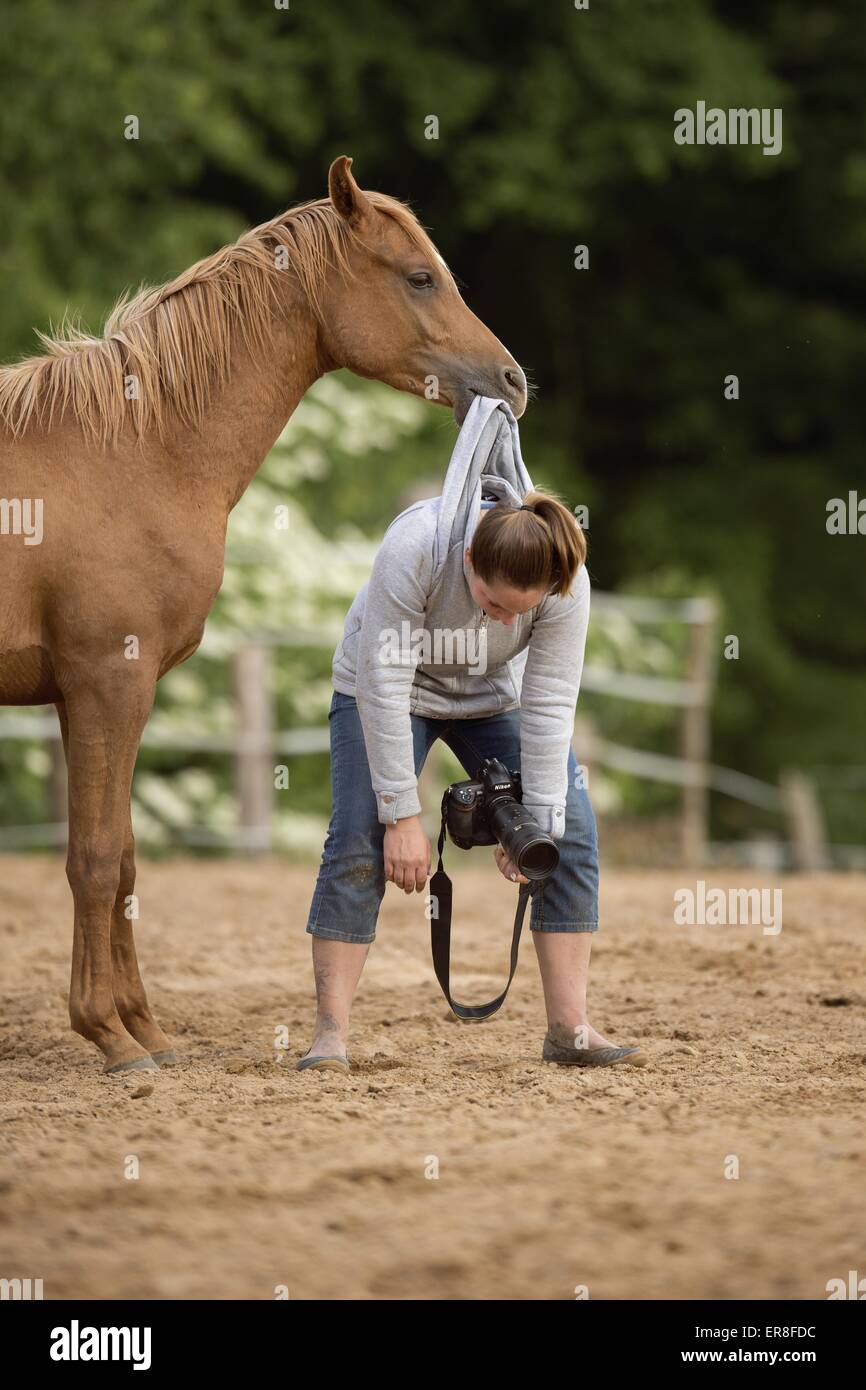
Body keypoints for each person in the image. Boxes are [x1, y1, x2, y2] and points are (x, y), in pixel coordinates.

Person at [298, 398, 646, 1073]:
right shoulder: (415, 549)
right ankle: (330, 1035)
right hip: (387, 691)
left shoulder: (565, 587)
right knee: (359, 834)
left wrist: (533, 826)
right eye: (489, 604)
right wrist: (403, 813)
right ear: (467, 560)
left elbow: (546, 703)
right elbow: (385, 681)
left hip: (492, 697)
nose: (499, 620)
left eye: (517, 613)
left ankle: (570, 1028)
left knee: (569, 827)